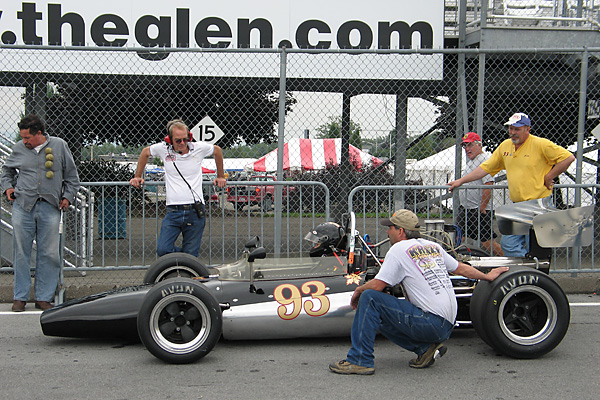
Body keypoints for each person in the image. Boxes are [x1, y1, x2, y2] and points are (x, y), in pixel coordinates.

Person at [329, 209, 508, 375]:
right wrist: (488, 276)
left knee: (369, 299)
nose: (387, 232)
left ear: (401, 232)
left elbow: (376, 287)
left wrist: (358, 290)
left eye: (390, 228)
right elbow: (460, 268)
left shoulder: (398, 249)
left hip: (430, 322)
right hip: (447, 325)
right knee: (377, 312)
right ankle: (425, 349)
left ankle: (360, 360)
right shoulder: (433, 246)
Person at [448, 113, 575, 256]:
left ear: (527, 129)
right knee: (509, 244)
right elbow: (485, 168)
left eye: (517, 129)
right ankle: (524, 271)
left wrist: (549, 176)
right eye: (510, 128)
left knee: (538, 247)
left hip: (539, 203)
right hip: (518, 206)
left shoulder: (541, 144)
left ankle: (535, 274)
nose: (513, 132)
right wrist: (460, 181)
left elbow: (568, 157)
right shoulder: (505, 146)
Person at [1, 114, 80, 312]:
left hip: (50, 207)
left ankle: (43, 297)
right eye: (23, 138)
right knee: (21, 252)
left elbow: (72, 176)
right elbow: (6, 171)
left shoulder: (59, 145)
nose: (24, 142)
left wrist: (67, 197)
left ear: (39, 134)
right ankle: (20, 297)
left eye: (28, 138)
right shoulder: (19, 148)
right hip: (23, 206)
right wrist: (8, 188)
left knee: (50, 253)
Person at [130, 119, 226, 257]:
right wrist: (138, 176)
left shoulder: (198, 148)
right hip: (174, 210)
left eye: (185, 139)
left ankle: (189, 265)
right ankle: (185, 259)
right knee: (163, 249)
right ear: (170, 140)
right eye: (178, 141)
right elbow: (145, 152)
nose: (182, 143)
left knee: (191, 252)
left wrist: (221, 176)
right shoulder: (163, 149)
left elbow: (217, 150)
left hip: (195, 209)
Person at [457, 132, 503, 256]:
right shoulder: (472, 161)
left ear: (479, 145)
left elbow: (488, 183)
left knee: (487, 242)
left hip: (478, 209)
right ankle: (454, 262)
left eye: (470, 145)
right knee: (458, 236)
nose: (467, 149)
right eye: (465, 146)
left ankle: (508, 261)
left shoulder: (485, 160)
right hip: (467, 208)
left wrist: (482, 206)